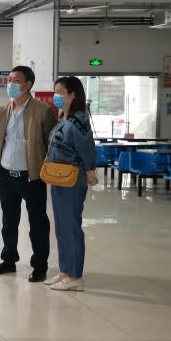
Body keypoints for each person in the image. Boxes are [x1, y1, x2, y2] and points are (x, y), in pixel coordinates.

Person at [0, 66, 57, 283]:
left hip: (31, 176)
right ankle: (8, 260)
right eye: (9, 79)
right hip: (6, 173)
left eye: (16, 80)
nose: (10, 83)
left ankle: (40, 265)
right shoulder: (4, 109)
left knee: (37, 223)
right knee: (8, 221)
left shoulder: (43, 111)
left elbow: (51, 144)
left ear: (28, 84)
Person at [45, 76, 98, 292]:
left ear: (73, 95)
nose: (55, 96)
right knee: (61, 227)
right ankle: (65, 271)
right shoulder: (63, 118)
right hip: (59, 177)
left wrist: (91, 172)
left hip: (72, 178)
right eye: (55, 92)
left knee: (71, 227)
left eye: (60, 92)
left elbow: (87, 149)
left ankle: (75, 276)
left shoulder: (79, 121)